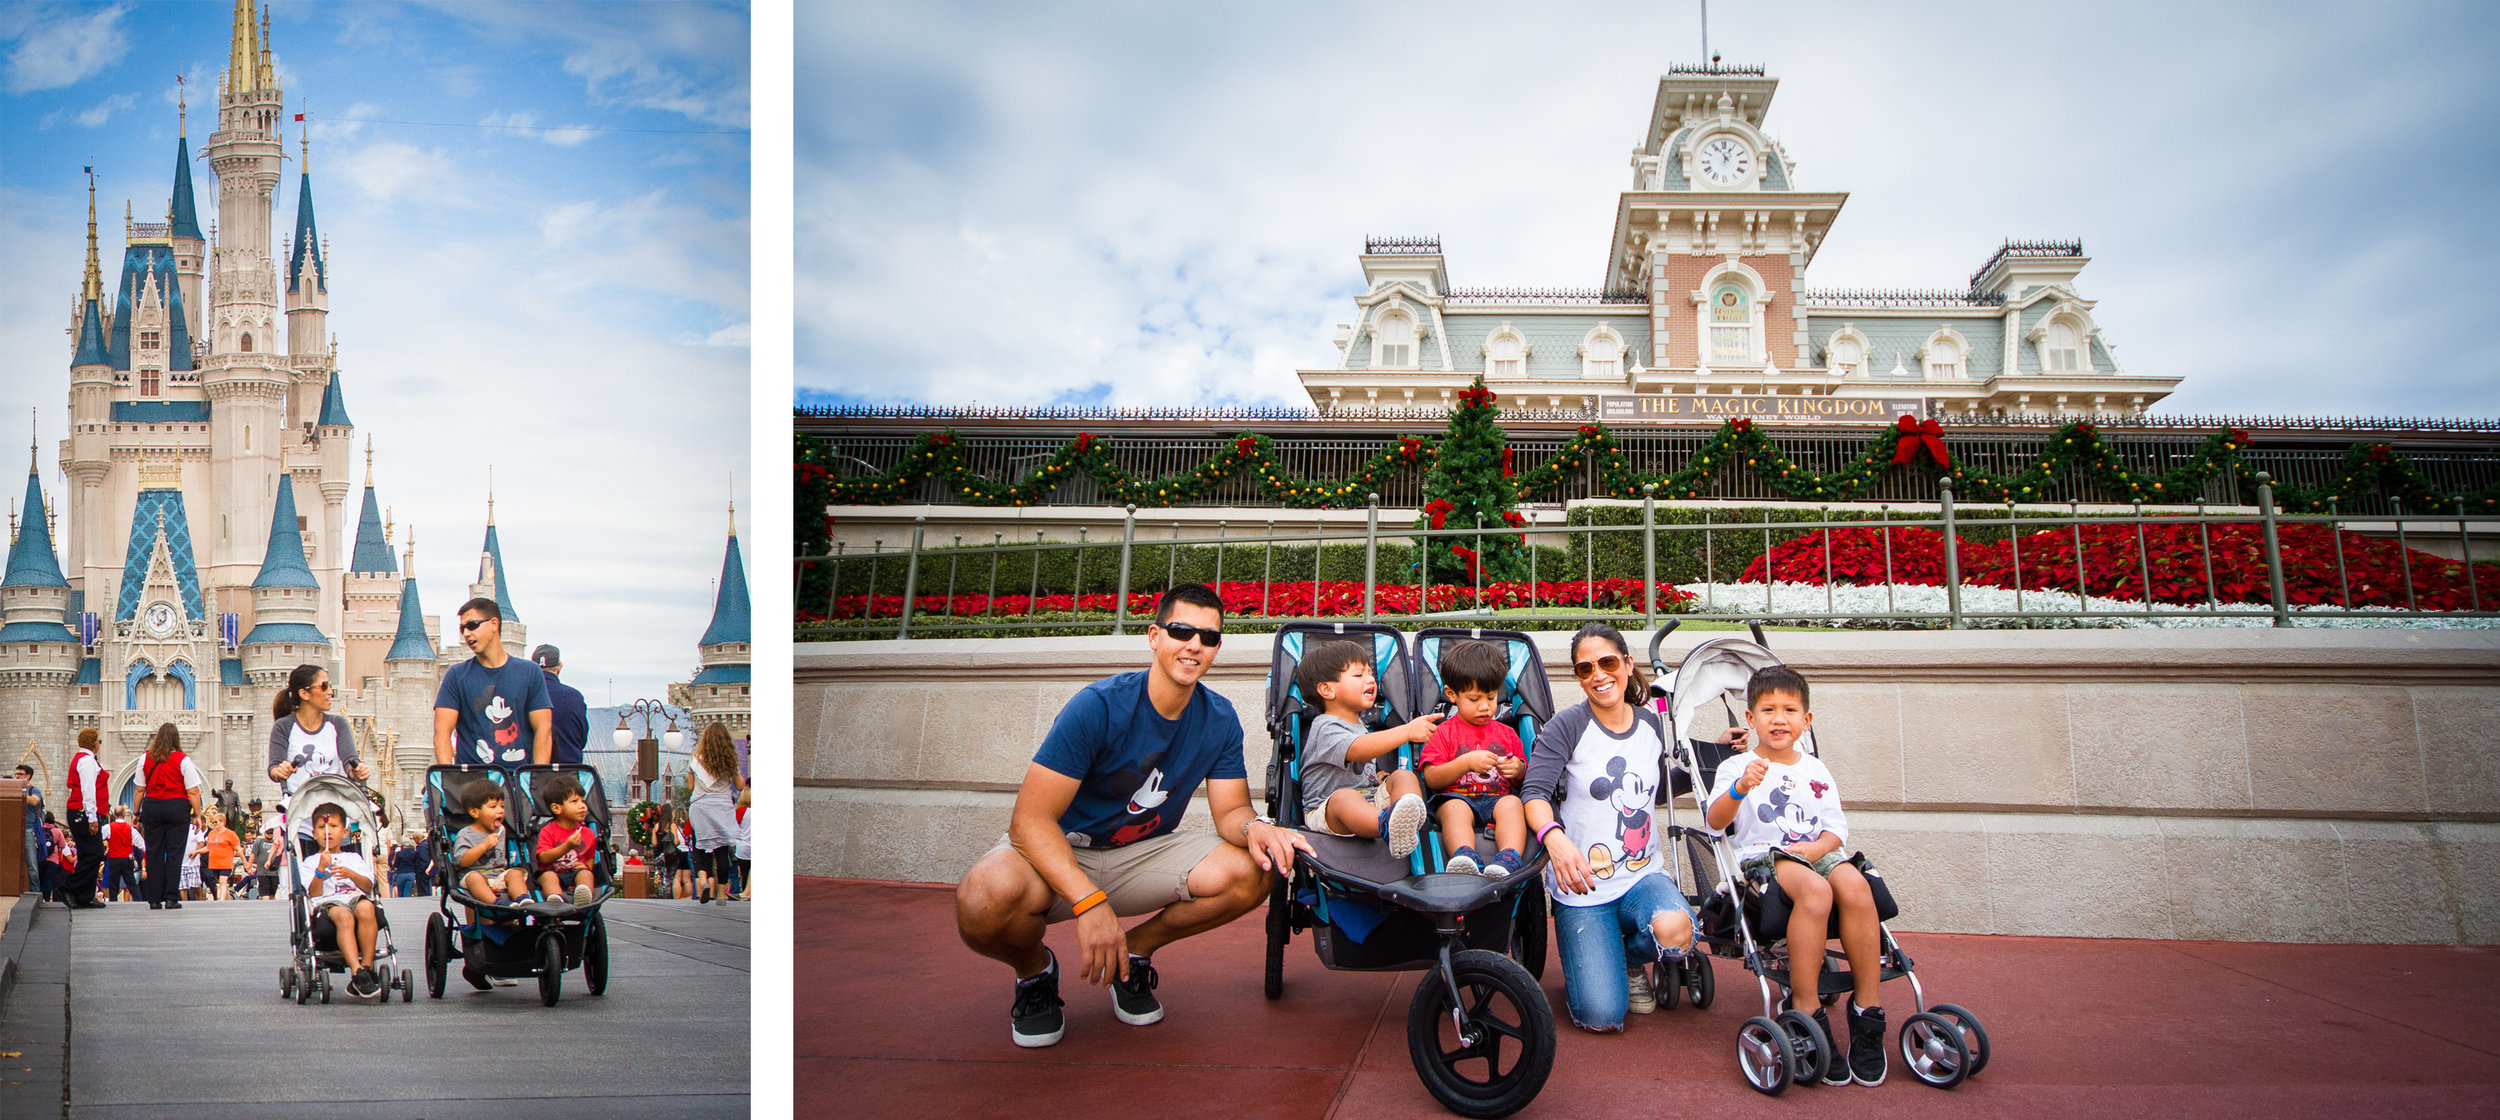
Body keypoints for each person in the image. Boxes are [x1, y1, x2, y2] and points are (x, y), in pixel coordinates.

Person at [954, 584, 1305, 1049]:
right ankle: (1034, 972)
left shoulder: (1219, 717)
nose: (1195, 644)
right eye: (1182, 631)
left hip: (1139, 854)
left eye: (1209, 637)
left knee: (1253, 870)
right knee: (982, 899)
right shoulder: (1098, 705)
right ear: (1154, 636)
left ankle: (1135, 953)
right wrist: (1088, 903)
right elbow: (1030, 821)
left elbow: (1231, 811)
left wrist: (1256, 826)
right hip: (1063, 852)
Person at [1705, 663, 1888, 1086]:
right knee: (1815, 891)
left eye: (1789, 710)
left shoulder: (1815, 769)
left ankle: (1867, 1009)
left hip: (1817, 850)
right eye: (1768, 710)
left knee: (1856, 887)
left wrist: (1820, 848)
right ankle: (1805, 1007)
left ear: (1806, 720)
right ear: (1750, 719)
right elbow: (1715, 823)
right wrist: (1739, 790)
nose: (1779, 719)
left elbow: (1835, 827)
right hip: (1765, 857)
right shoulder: (1737, 767)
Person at [1522, 623, 1696, 1033]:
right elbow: (1534, 793)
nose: (1599, 675)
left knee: (1677, 933)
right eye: (1585, 669)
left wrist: (1718, 757)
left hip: (1642, 876)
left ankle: (1631, 958)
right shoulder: (1566, 726)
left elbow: (1654, 794)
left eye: (1607, 662)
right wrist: (1556, 840)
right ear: (1578, 677)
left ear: (1627, 663)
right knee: (1601, 1015)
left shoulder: (1651, 724)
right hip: (1584, 889)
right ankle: (1601, 957)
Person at [1293, 640, 1436, 856]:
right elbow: (1357, 750)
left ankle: (1406, 819)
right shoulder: (1325, 726)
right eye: (1359, 675)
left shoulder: (1360, 725)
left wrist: (1374, 778)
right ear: (1327, 689)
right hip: (1327, 810)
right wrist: (1407, 731)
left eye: (1370, 673)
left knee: (1403, 777)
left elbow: (1357, 764)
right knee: (1344, 798)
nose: (1370, 679)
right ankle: (1388, 826)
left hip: (1367, 801)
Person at [1419, 640, 1529, 877]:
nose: (1484, 707)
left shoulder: (1507, 734)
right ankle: (1464, 855)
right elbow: (1431, 779)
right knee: (1454, 808)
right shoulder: (1443, 733)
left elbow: (1522, 783)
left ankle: (1509, 857)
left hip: (1498, 798)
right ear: (1451, 695)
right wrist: (1465, 763)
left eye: (1490, 698)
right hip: (1457, 797)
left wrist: (1518, 770)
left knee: (1513, 804)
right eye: (1474, 699)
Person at [433, 598, 551, 767]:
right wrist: (449, 780)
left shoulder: (530, 672)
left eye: (472, 625)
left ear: (494, 624)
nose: (466, 633)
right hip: (473, 785)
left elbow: (543, 730)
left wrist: (536, 781)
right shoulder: (456, 675)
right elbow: (442, 732)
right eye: (462, 628)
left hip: (517, 782)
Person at [303, 802, 386, 998]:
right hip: (330, 902)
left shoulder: (354, 857)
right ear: (314, 833)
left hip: (354, 896)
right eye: (322, 827)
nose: (328, 832)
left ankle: (366, 968)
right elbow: (314, 893)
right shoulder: (311, 861)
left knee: (366, 908)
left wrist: (351, 874)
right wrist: (321, 870)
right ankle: (356, 971)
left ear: (345, 831)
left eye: (333, 827)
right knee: (344, 915)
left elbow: (367, 885)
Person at [268, 664, 372, 795]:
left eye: (330, 686)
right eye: (324, 686)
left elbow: (350, 760)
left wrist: (357, 771)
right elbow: (274, 767)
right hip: (298, 806)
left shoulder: (338, 724)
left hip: (335, 804)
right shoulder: (283, 726)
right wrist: (280, 771)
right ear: (304, 693)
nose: (330, 692)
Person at [136, 723, 203, 910]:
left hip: (153, 806)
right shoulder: (183, 760)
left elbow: (140, 789)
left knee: (153, 852)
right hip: (176, 807)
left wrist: (136, 813)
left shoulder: (145, 759)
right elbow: (193, 792)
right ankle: (171, 897)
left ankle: (154, 898)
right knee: (174, 853)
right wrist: (197, 815)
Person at [685, 723, 746, 905]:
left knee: (699, 847)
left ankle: (703, 881)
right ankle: (721, 894)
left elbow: (690, 786)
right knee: (722, 850)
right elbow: (740, 785)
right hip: (721, 806)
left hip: (701, 807)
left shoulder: (695, 759)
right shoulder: (729, 760)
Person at [534, 775, 599, 907]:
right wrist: (567, 846)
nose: (582, 806)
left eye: (583, 801)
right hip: (551, 871)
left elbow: (590, 857)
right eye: (575, 801)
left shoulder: (588, 833)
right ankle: (557, 900)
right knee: (548, 877)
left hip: (575, 873)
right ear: (557, 808)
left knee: (586, 874)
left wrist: (586, 867)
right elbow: (543, 858)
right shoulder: (548, 831)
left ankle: (583, 898)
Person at [64, 729, 108, 907]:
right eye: (99, 741)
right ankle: (70, 887)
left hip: (81, 811)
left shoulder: (84, 759)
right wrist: (92, 818)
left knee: (87, 853)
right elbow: (88, 790)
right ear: (94, 743)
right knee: (95, 852)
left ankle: (85, 895)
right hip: (83, 812)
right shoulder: (87, 761)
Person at [531, 645, 589, 765]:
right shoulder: (575, 696)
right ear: (559, 667)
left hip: (532, 775)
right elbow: (582, 739)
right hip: (569, 773)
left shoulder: (525, 694)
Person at [13, 763, 42, 894]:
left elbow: (35, 801)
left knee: (31, 864)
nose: (17, 776)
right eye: (16, 774)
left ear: (28, 776)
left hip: (28, 830)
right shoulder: (12, 788)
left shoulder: (34, 790)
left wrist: (19, 792)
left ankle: (35, 893)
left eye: (20, 774)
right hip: (12, 830)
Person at [202, 809, 242, 901]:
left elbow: (238, 849)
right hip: (215, 863)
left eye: (216, 822)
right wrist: (196, 852)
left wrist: (245, 862)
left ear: (222, 822)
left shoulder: (230, 834)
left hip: (225, 862)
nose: (214, 824)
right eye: (213, 822)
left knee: (222, 881)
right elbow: (207, 848)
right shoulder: (212, 833)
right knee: (222, 883)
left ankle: (221, 901)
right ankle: (228, 900)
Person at [105, 806, 141, 902]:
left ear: (114, 815)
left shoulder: (109, 827)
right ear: (124, 815)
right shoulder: (130, 829)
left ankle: (113, 902)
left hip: (114, 858)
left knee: (113, 883)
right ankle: (138, 900)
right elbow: (140, 844)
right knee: (131, 883)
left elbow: (99, 837)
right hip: (126, 858)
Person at [731, 790, 751, 901]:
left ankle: (745, 893)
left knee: (744, 872)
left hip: (742, 847)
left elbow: (733, 828)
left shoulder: (740, 812)